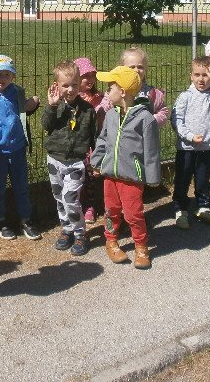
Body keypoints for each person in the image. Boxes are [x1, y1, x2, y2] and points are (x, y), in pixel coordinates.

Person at [90, 66, 161, 269]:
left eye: (110, 87)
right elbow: (103, 140)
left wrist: (152, 176)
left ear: (122, 91)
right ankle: (111, 240)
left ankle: (141, 245)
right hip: (110, 176)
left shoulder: (145, 119)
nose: (106, 92)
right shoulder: (111, 115)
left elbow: (151, 150)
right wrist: (97, 162)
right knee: (111, 210)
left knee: (133, 213)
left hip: (131, 177)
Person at [0, 54, 41, 241]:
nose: (2, 79)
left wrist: (34, 103)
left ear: (13, 76)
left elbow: (25, 109)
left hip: (18, 148)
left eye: (7, 75)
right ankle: (1, 220)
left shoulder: (17, 92)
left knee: (21, 186)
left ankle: (26, 219)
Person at [41, 61, 98, 256]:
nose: (70, 89)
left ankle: (80, 232)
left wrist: (95, 161)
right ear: (56, 85)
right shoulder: (55, 106)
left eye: (74, 84)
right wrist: (51, 106)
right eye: (65, 85)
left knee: (70, 198)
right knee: (59, 197)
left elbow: (94, 136)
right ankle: (67, 229)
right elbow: (46, 125)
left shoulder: (88, 110)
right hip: (54, 159)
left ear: (79, 83)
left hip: (76, 161)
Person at [171, 56, 210, 229]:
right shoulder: (185, 96)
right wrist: (189, 136)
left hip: (208, 147)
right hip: (187, 148)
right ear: (191, 75)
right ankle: (181, 209)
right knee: (183, 179)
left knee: (203, 180)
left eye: (205, 75)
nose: (201, 79)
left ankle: (203, 206)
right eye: (197, 75)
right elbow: (176, 120)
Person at [102, 47, 169, 128]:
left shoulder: (152, 93)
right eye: (132, 67)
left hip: (143, 133)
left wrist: (149, 121)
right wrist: (110, 106)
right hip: (118, 131)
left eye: (140, 67)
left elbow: (163, 112)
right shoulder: (115, 89)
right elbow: (102, 108)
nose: (136, 70)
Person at [74, 57, 105, 223]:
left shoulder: (99, 97)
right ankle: (77, 204)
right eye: (85, 76)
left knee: (91, 177)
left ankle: (90, 206)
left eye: (92, 75)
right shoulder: (73, 98)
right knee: (77, 177)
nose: (90, 79)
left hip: (94, 143)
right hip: (77, 144)